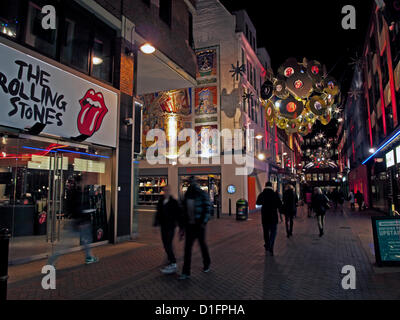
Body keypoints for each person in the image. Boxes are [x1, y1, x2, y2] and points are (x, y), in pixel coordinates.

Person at [48, 175, 98, 267]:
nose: (86, 183)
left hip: (79, 220)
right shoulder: (77, 193)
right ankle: (52, 259)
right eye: (84, 181)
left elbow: (75, 207)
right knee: (77, 241)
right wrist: (81, 218)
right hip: (79, 221)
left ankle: (89, 257)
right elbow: (78, 208)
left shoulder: (77, 192)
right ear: (80, 182)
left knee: (84, 240)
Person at [179, 177, 211, 280]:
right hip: (190, 225)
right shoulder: (187, 194)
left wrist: (203, 222)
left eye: (191, 182)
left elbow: (207, 208)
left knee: (202, 245)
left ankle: (207, 263)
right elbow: (183, 212)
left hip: (199, 224)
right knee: (187, 249)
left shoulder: (201, 194)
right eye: (189, 183)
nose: (190, 184)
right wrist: (182, 228)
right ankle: (186, 272)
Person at [154, 186, 182, 275]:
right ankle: (171, 261)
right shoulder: (161, 201)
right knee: (166, 244)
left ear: (169, 191)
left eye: (167, 190)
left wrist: (181, 227)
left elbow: (178, 214)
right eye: (164, 190)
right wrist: (155, 224)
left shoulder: (173, 202)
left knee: (168, 245)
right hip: (163, 227)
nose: (166, 192)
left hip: (170, 227)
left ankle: (173, 263)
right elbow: (158, 213)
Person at [256, 182, 282, 256]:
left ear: (265, 186)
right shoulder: (275, 194)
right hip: (273, 216)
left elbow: (258, 203)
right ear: (271, 186)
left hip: (265, 216)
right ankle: (271, 245)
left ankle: (267, 244)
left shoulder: (262, 194)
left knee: (266, 231)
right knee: (273, 232)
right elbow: (279, 204)